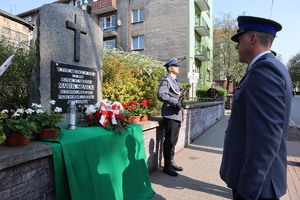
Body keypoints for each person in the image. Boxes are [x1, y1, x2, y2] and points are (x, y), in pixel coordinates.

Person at [219, 16, 292, 200]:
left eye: (239, 40)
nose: (236, 47)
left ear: (252, 39)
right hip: (257, 182)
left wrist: (248, 191)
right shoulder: (268, 67)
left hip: (256, 186)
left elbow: (266, 138)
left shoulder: (264, 70)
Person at [157, 59, 183, 177]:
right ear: (170, 68)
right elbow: (161, 94)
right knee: (169, 141)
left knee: (174, 141)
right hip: (170, 114)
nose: (178, 67)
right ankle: (167, 166)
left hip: (176, 114)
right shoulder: (166, 80)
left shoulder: (175, 81)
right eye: (176, 66)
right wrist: (174, 102)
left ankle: (171, 162)